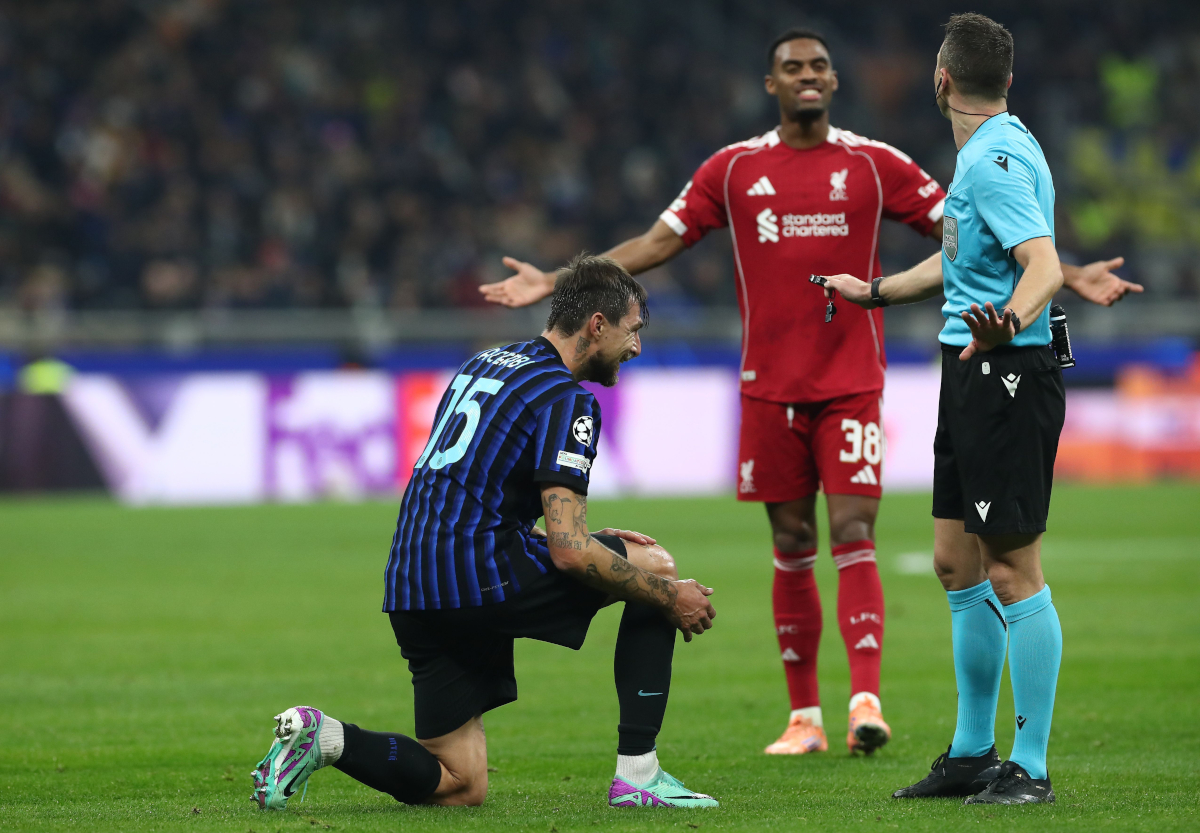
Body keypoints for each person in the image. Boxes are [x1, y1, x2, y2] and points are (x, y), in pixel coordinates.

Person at [481, 28, 1136, 758]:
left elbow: (979, 231)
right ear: (771, 84)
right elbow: (657, 242)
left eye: (820, 65)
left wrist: (1066, 272)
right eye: (792, 67)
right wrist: (562, 280)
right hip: (768, 385)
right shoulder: (733, 169)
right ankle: (805, 717)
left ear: (838, 79)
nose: (808, 75)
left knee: (857, 531)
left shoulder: (876, 163)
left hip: (853, 381)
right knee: (797, 543)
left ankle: (867, 702)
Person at [250, 255, 719, 810]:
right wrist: (671, 596)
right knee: (654, 567)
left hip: (412, 584)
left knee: (460, 783)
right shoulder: (567, 400)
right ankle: (639, 775)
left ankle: (324, 738)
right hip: (480, 577)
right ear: (597, 325)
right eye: (632, 330)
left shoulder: (486, 362)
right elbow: (571, 553)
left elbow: (475, 494)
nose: (636, 347)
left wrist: (567, 538)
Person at [821, 12, 1114, 804]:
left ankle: (1031, 766)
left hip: (1006, 373)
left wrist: (1007, 323)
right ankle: (972, 752)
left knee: (1013, 569)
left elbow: (1042, 264)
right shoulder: (991, 151)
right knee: (957, 562)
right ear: (1006, 80)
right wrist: (874, 291)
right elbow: (960, 263)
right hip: (972, 369)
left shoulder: (993, 162)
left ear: (941, 78)